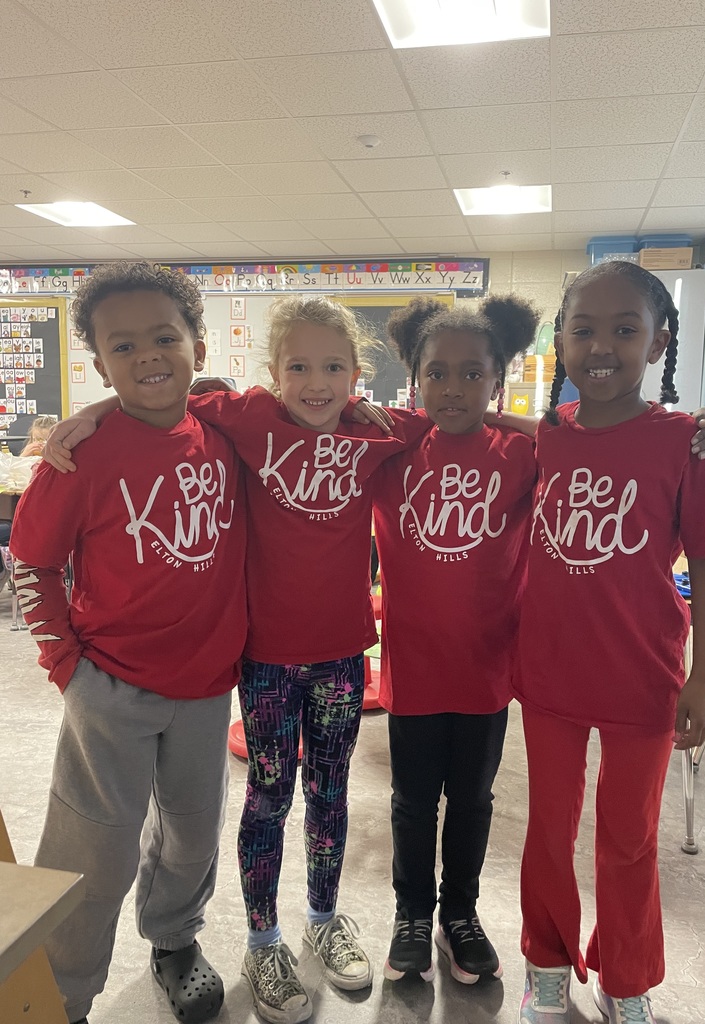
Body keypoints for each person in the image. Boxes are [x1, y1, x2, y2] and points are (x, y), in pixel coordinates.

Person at [43, 294, 426, 1024]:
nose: (318, 382)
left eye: (335, 367)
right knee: (268, 797)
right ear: (273, 374)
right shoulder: (244, 416)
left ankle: (323, 916)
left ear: (358, 374)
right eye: (300, 367)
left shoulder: (376, 432)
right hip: (266, 661)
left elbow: (461, 416)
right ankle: (264, 938)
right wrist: (83, 415)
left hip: (346, 658)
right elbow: (156, 397)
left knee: (332, 793)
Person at [10, 262, 248, 1024]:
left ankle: (175, 937)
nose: (148, 355)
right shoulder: (79, 455)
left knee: (193, 832)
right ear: (100, 363)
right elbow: (34, 564)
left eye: (164, 337)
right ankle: (64, 996)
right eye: (123, 345)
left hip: (208, 687)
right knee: (92, 853)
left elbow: (297, 406)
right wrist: (67, 669)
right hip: (108, 689)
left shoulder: (224, 429)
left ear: (198, 346)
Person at [514, 261, 705, 1024]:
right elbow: (468, 424)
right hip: (547, 674)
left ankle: (626, 978)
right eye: (583, 329)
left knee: (630, 838)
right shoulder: (545, 437)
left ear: (658, 343)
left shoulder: (686, 444)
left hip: (642, 677)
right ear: (561, 342)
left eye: (624, 329)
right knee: (548, 828)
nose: (602, 345)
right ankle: (547, 962)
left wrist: (701, 680)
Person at [373, 295, 538, 986]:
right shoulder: (389, 444)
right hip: (413, 668)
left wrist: (704, 428)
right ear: (414, 378)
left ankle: (459, 914)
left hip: (485, 672)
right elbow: (266, 411)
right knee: (413, 802)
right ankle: (411, 912)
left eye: (474, 373)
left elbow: (601, 439)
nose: (453, 388)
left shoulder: (524, 451)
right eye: (436, 372)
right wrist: (100, 410)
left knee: (471, 800)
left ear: (499, 379)